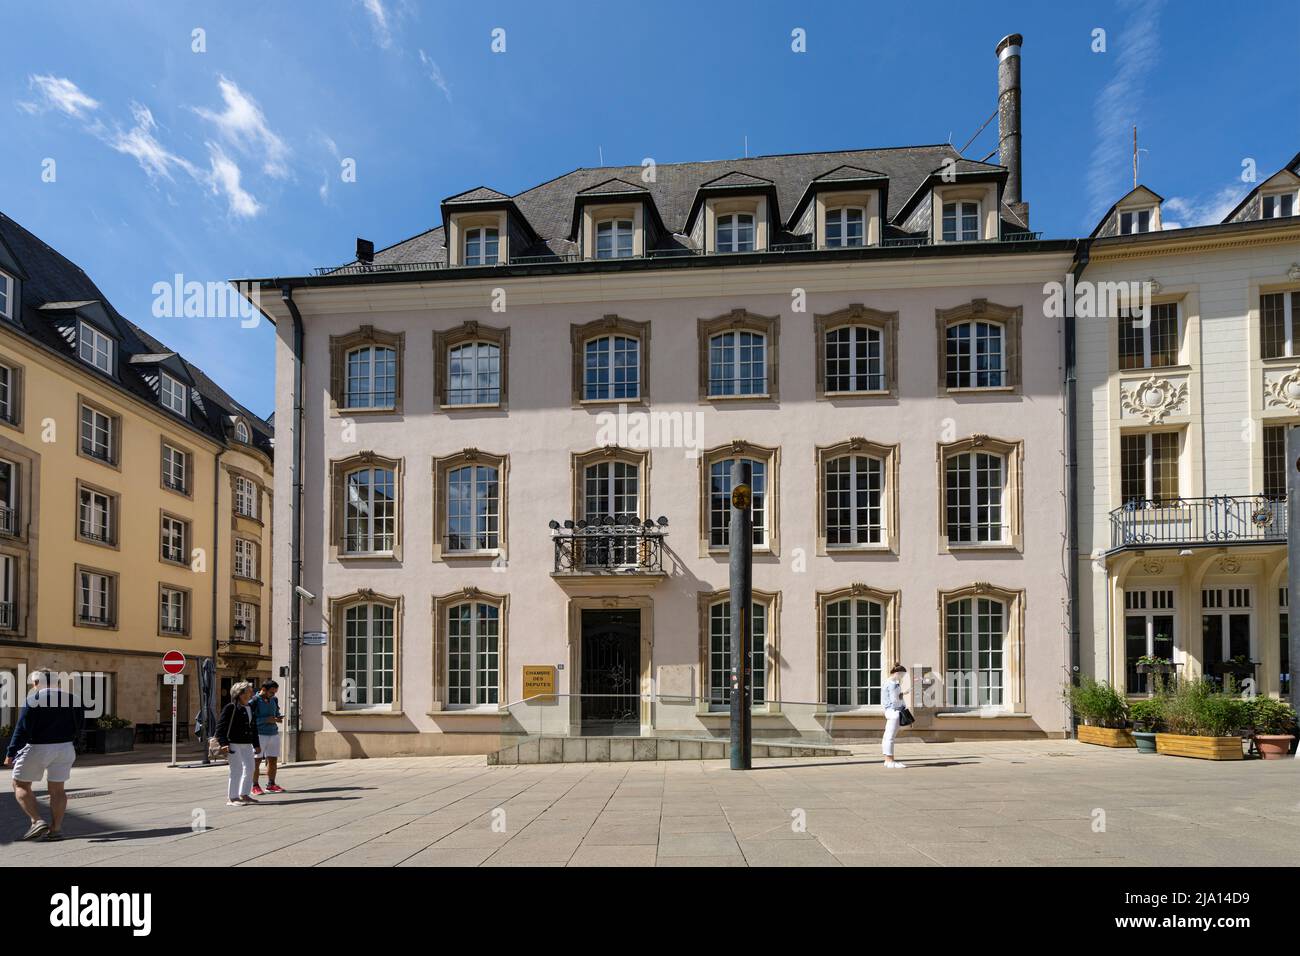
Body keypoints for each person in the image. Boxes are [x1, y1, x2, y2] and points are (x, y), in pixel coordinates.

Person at [3, 670, 85, 841]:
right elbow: (81, 723)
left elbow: (22, 729)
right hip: (65, 748)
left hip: (38, 747)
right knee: (57, 789)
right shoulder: (74, 699)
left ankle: (37, 820)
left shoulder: (33, 699)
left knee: (20, 784)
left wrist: (11, 753)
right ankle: (55, 829)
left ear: (36, 684)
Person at [216, 681, 261, 806]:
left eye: (250, 692)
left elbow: (253, 728)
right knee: (237, 770)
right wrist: (223, 743)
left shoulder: (250, 707)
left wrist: (256, 744)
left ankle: (244, 794)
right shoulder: (231, 707)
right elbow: (220, 727)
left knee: (250, 768)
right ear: (240, 694)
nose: (250, 694)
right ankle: (233, 797)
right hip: (233, 743)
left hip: (247, 743)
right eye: (248, 692)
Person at [249, 680, 284, 795]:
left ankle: (271, 784)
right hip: (259, 734)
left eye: (275, 692)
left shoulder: (274, 700)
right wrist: (265, 720)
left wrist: (278, 718)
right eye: (271, 692)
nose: (273, 695)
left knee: (273, 760)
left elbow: (276, 713)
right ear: (263, 689)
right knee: (256, 760)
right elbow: (250, 720)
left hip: (273, 733)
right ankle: (254, 785)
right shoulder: (254, 701)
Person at [882, 663, 909, 769]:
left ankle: (887, 760)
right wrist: (901, 704)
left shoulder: (888, 682)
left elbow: (892, 698)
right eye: (902, 675)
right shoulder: (893, 684)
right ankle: (890, 761)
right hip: (894, 712)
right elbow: (894, 700)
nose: (902, 677)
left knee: (887, 737)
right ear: (897, 673)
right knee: (890, 737)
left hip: (889, 711)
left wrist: (901, 694)